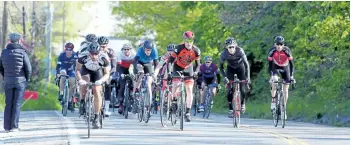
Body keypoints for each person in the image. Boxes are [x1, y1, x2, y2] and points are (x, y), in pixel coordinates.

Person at [165, 31, 201, 122]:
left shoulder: (196, 51)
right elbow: (169, 61)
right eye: (187, 40)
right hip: (178, 68)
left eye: (191, 40)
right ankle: (173, 101)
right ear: (184, 40)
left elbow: (198, 65)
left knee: (189, 89)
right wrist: (169, 72)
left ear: (193, 40)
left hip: (189, 69)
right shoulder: (178, 48)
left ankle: (188, 112)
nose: (189, 43)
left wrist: (196, 73)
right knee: (176, 84)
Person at [0, 33, 32, 133]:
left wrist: (5, 77)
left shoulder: (4, 52)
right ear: (19, 41)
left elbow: (1, 67)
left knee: (8, 104)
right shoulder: (23, 52)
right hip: (20, 81)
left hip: (8, 81)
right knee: (17, 104)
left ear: (9, 41)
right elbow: (28, 68)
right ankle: (14, 127)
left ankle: (6, 127)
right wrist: (27, 79)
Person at [76, 42, 110, 129]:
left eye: (96, 54)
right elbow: (78, 70)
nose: (94, 56)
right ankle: (82, 101)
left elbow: (106, 74)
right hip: (86, 70)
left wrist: (101, 80)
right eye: (92, 54)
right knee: (84, 82)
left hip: (97, 72)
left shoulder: (104, 58)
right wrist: (80, 80)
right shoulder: (83, 57)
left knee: (96, 89)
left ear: (99, 52)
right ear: (89, 52)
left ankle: (96, 116)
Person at [219, 37, 250, 118]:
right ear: (227, 47)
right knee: (229, 89)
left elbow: (247, 65)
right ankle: (230, 109)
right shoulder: (224, 54)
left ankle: (242, 103)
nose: (232, 49)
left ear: (235, 46)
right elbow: (221, 67)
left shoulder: (240, 51)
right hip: (230, 69)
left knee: (243, 89)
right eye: (230, 47)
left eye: (233, 47)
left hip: (241, 68)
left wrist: (248, 77)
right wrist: (225, 77)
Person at [268, 36, 295, 119]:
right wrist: (271, 75)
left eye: (281, 44)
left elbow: (291, 64)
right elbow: (269, 65)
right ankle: (273, 100)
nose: (279, 46)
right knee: (275, 80)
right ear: (275, 44)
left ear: (283, 45)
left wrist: (291, 76)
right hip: (275, 68)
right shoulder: (272, 51)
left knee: (286, 89)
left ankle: (283, 109)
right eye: (277, 44)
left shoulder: (287, 51)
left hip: (285, 68)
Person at [133, 40, 158, 117]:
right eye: (147, 50)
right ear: (144, 49)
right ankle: (137, 89)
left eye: (149, 50)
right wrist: (136, 70)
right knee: (141, 73)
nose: (148, 52)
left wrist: (154, 74)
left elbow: (156, 64)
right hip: (139, 63)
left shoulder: (154, 51)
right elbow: (134, 61)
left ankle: (148, 104)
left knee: (149, 81)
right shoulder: (140, 50)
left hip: (149, 64)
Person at [97, 36, 116, 117]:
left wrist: (109, 75)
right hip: (97, 71)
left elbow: (114, 66)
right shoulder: (95, 51)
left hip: (108, 72)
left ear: (107, 45)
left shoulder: (111, 52)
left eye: (104, 45)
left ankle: (107, 107)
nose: (103, 47)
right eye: (101, 45)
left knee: (108, 84)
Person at [55, 42, 78, 111]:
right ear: (65, 50)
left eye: (70, 50)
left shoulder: (75, 56)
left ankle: (69, 99)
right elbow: (58, 66)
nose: (68, 51)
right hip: (63, 69)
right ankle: (61, 93)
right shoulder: (62, 55)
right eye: (67, 49)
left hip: (71, 70)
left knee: (72, 82)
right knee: (63, 76)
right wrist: (57, 73)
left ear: (72, 50)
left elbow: (77, 66)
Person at [116, 43, 135, 114]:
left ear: (130, 50)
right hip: (122, 69)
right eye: (125, 49)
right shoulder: (120, 55)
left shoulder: (134, 55)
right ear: (122, 50)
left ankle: (132, 98)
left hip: (131, 69)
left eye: (128, 49)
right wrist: (120, 74)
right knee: (122, 86)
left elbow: (135, 65)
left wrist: (133, 73)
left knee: (133, 84)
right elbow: (118, 66)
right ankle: (120, 104)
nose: (126, 51)